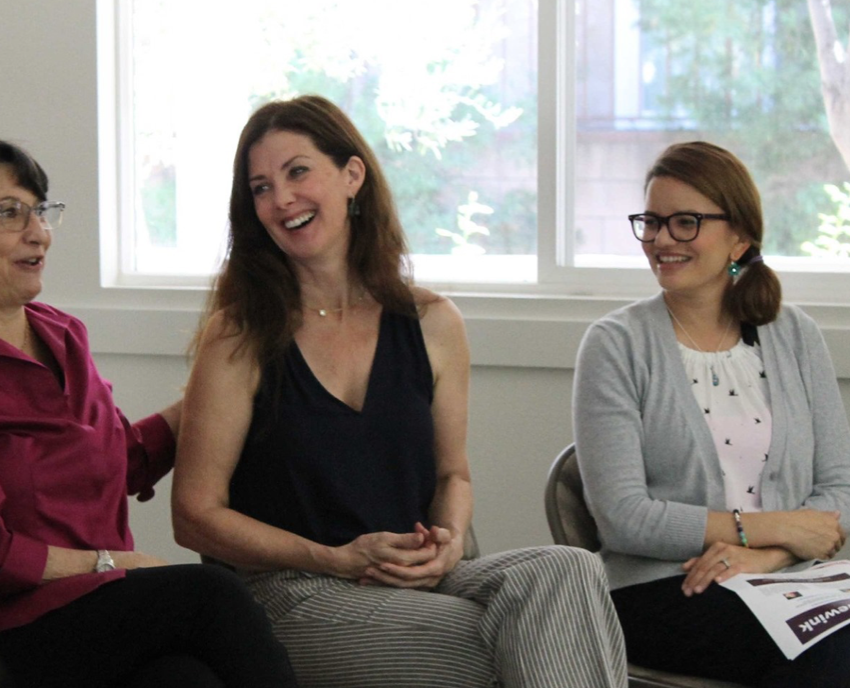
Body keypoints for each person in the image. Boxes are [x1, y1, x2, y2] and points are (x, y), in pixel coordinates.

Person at [172, 94, 627, 688]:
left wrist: (449, 542)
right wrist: (333, 558)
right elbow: (195, 516)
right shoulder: (239, 335)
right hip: (294, 592)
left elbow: (451, 475)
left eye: (297, 171)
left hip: (415, 577)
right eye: (260, 187)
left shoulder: (434, 322)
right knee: (524, 640)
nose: (280, 199)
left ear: (352, 175)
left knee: (569, 574)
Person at [0, 140, 298, 688]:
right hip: (18, 624)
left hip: (97, 606)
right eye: (9, 213)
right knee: (213, 594)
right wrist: (110, 564)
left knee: (184, 679)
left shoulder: (64, 335)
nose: (38, 232)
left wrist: (218, 389)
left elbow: (122, 460)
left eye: (40, 211)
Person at [573, 141, 850, 687]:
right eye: (650, 222)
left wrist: (767, 555)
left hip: (794, 579)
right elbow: (621, 515)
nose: (660, 240)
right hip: (670, 586)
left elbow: (840, 490)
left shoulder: (795, 335)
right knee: (835, 656)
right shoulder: (615, 345)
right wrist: (771, 529)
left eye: (685, 222)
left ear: (740, 238)